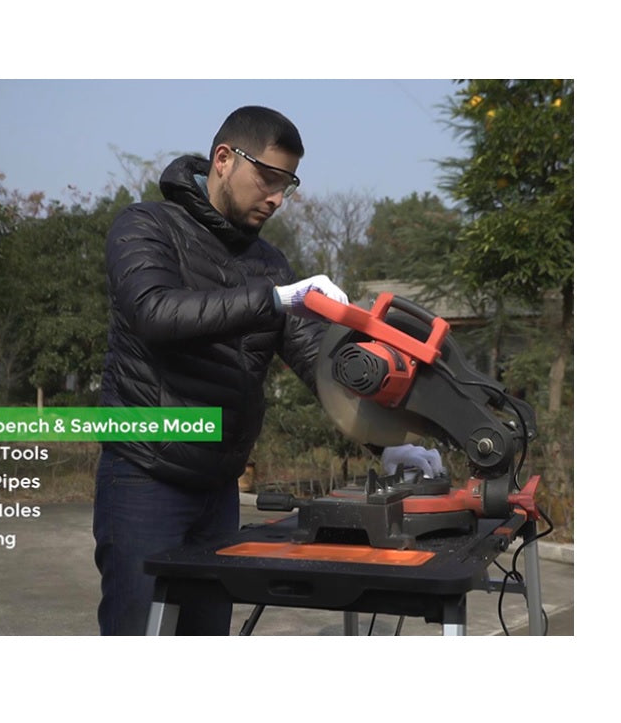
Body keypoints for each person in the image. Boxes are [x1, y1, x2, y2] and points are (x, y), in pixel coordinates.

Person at [93, 105, 440, 636]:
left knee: (205, 636)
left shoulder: (270, 263)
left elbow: (317, 364)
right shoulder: (145, 226)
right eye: (268, 179)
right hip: (144, 477)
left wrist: (387, 442)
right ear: (224, 159)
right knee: (140, 633)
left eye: (287, 185)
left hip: (218, 488)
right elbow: (154, 312)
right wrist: (275, 299)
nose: (277, 198)